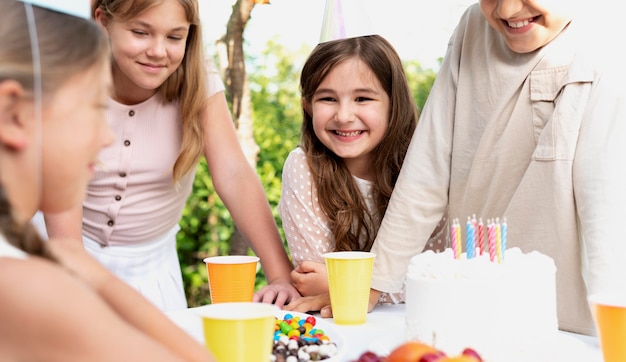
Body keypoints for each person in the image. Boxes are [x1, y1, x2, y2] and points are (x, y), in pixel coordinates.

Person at [362, 0, 626, 336]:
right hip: (475, 301)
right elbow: (428, 166)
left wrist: (614, 328)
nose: (506, 10)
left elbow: (608, 204)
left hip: (577, 320)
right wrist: (375, 280)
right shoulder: (474, 26)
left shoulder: (612, 39)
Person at [35, 0, 300, 311]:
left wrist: (280, 275)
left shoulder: (200, 79)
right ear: (103, 21)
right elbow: (65, 234)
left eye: (174, 37)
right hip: (60, 253)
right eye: (141, 32)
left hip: (152, 272)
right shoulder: (68, 80)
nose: (158, 51)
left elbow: (234, 173)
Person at [0, 0, 214, 360]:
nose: (106, 137)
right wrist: (95, 276)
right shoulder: (26, 287)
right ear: (15, 113)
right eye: (95, 108)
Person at [279, 34, 447, 307]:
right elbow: (312, 279)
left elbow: (440, 280)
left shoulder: (426, 167)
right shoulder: (304, 168)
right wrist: (376, 287)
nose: (344, 116)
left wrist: (349, 287)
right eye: (328, 99)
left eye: (362, 98)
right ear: (307, 106)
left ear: (394, 103)